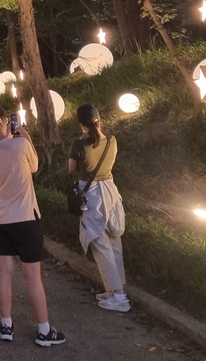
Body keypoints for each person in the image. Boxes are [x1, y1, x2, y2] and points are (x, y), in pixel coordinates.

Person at [0, 104, 65, 347]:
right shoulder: (20, 144)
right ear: (4, 120)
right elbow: (34, 167)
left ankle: (6, 325)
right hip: (25, 218)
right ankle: (44, 331)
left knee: (4, 271)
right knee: (32, 275)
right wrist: (25, 135)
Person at [69, 104, 128, 312]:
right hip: (111, 190)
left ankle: (119, 297)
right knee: (114, 240)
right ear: (99, 118)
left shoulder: (78, 144)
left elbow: (72, 169)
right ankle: (116, 289)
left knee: (100, 243)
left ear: (81, 123)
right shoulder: (112, 140)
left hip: (91, 194)